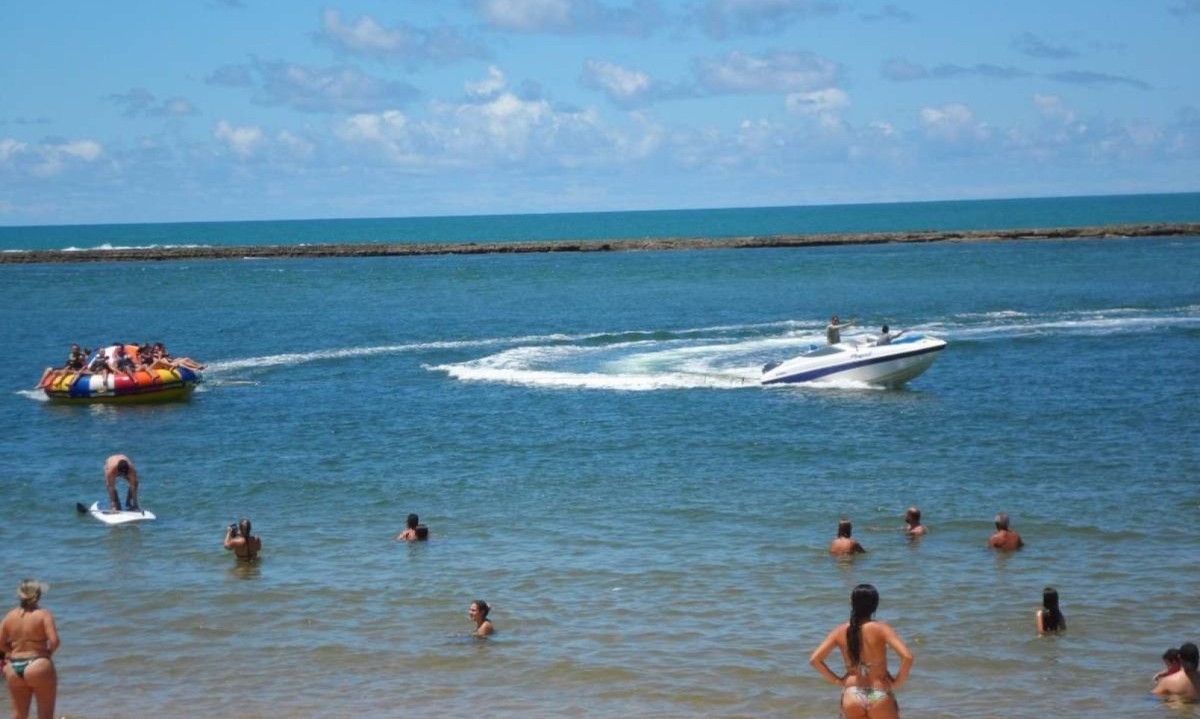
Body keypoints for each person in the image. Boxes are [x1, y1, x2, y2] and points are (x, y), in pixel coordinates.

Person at [810, 583, 913, 719]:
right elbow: (907, 657)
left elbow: (815, 660)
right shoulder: (881, 628)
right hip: (878, 693)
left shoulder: (840, 630)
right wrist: (897, 682)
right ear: (875, 605)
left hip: (852, 694)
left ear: (852, 603)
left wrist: (838, 681)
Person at [0, 579, 59, 719]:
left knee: (18, 715)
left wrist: (11, 652)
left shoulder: (10, 616)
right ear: (38, 595)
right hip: (38, 663)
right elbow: (55, 641)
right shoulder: (43, 614)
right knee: (45, 715)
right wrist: (47, 654)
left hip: (14, 667)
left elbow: (0, 642)